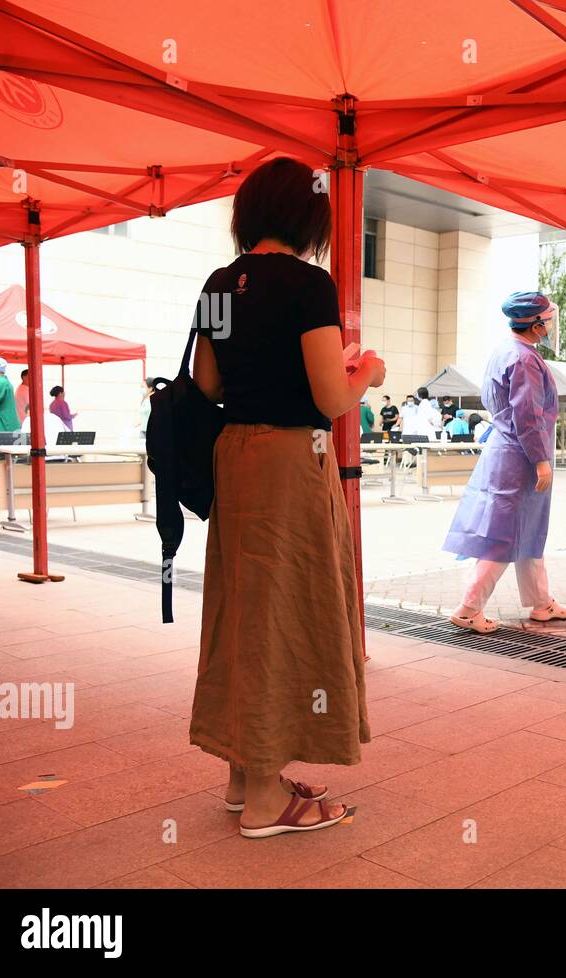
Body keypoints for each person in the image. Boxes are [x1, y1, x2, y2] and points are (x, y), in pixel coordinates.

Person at [187, 156, 386, 839]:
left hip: (235, 457)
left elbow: (207, 382)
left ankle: (246, 773)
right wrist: (367, 373)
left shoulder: (219, 282)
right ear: (308, 217)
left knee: (243, 609)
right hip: (290, 461)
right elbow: (331, 398)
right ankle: (268, 797)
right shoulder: (308, 284)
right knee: (286, 611)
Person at [443, 291, 566, 633]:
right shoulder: (523, 359)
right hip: (520, 457)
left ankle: (541, 602)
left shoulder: (508, 351)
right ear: (535, 325)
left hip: (509, 452)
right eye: (546, 320)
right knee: (503, 536)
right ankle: (468, 607)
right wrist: (540, 460)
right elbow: (528, 415)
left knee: (529, 531)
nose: (549, 326)